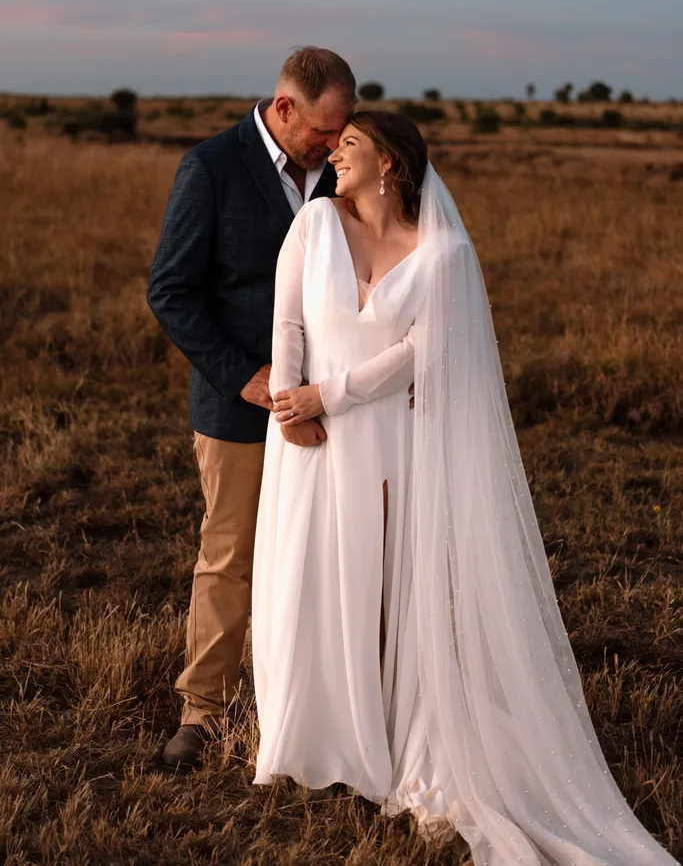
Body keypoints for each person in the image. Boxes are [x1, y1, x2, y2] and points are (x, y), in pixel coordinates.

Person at [251, 110, 678, 864]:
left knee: (381, 584)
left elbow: (423, 350)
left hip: (384, 437)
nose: (333, 154)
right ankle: (310, 737)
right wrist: (291, 405)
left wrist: (333, 394)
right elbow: (287, 324)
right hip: (305, 439)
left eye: (349, 144)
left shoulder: (443, 253)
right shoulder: (314, 225)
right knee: (307, 579)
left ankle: (379, 740)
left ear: (391, 164)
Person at [147, 47, 356, 769]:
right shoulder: (209, 167)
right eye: (323, 132)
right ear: (284, 107)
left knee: (322, 555)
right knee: (229, 558)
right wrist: (245, 377)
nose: (333, 147)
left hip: (333, 408)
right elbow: (170, 291)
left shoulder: (341, 170)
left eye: (343, 133)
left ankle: (309, 704)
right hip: (239, 411)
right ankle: (201, 712)